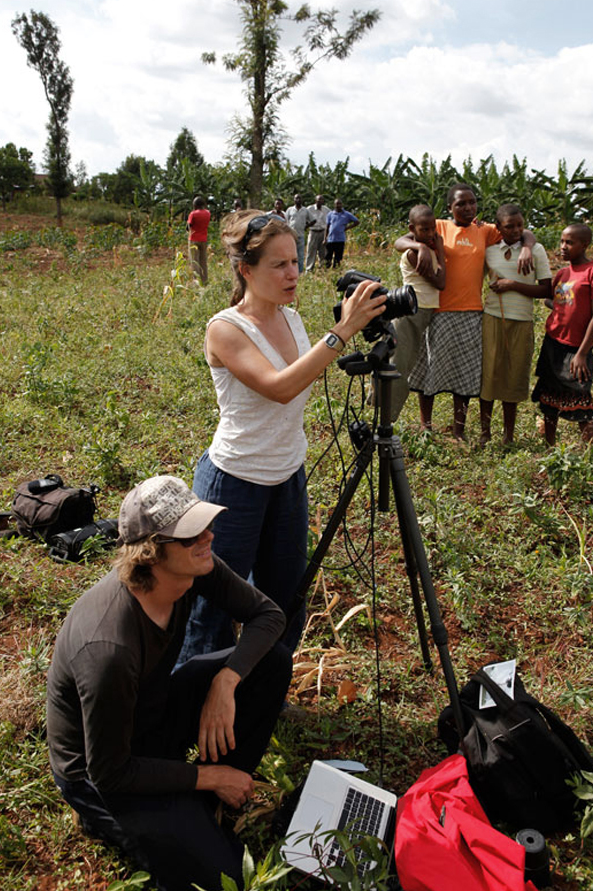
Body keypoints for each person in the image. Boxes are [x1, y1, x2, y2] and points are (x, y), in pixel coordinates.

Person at [46, 475, 292, 891]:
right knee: (231, 890)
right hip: (101, 774)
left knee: (269, 661)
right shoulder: (109, 650)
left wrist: (226, 681)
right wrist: (212, 776)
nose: (208, 538)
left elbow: (267, 615)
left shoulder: (189, 570)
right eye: (192, 535)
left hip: (150, 716)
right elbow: (110, 772)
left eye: (205, 526)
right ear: (151, 551)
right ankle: (165, 810)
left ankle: (196, 804)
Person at [180, 209, 386, 660]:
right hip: (233, 482)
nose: (293, 273)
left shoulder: (292, 319)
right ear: (245, 270)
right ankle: (199, 699)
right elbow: (280, 387)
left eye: (295, 261)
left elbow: (302, 376)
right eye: (279, 264)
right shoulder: (225, 329)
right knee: (212, 604)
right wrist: (341, 332)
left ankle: (265, 688)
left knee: (283, 597)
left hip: (287, 479)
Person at [398, 184, 535, 439]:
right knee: (429, 369)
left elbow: (520, 231)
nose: (468, 207)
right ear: (450, 207)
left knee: (465, 374)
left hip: (472, 312)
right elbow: (401, 240)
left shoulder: (484, 231)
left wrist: (527, 247)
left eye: (472, 202)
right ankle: (425, 426)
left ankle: (458, 431)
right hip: (438, 312)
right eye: (461, 203)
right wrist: (421, 247)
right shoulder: (437, 226)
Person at [531, 223, 593, 444]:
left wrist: (582, 353)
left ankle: (588, 452)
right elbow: (555, 300)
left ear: (585, 244)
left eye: (569, 242)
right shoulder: (563, 273)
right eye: (562, 241)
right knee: (549, 398)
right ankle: (550, 446)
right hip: (553, 342)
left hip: (576, 346)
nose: (563, 247)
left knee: (580, 395)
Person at [479, 204, 552, 445]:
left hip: (522, 320)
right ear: (498, 227)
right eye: (509, 226)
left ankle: (508, 436)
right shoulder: (489, 251)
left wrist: (512, 284)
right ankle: (485, 432)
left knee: (514, 373)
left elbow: (546, 289)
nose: (515, 230)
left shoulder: (536, 250)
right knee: (489, 374)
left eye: (520, 225)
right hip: (492, 318)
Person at [386, 204, 446, 423]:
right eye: (424, 230)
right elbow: (441, 282)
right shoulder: (415, 252)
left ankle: (383, 412)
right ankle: (386, 417)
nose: (430, 234)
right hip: (412, 310)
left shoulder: (423, 247)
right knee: (401, 366)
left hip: (423, 311)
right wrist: (440, 251)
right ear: (413, 229)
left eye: (433, 229)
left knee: (404, 362)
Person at [324, 198, 359, 268]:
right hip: (331, 239)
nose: (338, 205)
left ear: (342, 205)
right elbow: (327, 227)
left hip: (340, 239)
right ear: (334, 205)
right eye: (337, 204)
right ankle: (326, 270)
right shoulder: (330, 214)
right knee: (328, 256)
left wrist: (348, 228)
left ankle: (335, 270)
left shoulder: (346, 214)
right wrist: (325, 238)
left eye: (339, 203)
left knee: (338, 257)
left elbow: (356, 221)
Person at [187, 195, 211, 286]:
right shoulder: (208, 213)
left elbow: (188, 227)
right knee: (203, 261)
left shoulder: (193, 214)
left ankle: (196, 281)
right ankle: (205, 281)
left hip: (193, 239)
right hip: (203, 239)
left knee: (194, 261)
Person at [285, 193, 310, 273]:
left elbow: (313, 220)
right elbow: (286, 221)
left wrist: (306, 226)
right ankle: (290, 270)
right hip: (291, 236)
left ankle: (300, 272)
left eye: (299, 198)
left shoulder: (305, 210)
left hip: (301, 236)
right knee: (290, 254)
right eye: (296, 198)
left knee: (301, 255)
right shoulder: (289, 210)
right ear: (294, 200)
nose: (298, 200)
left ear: (301, 200)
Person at [305, 194, 330, 271]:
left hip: (323, 232)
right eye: (318, 200)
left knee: (323, 251)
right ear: (315, 201)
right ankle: (309, 269)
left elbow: (331, 220)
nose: (320, 201)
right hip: (313, 232)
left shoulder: (326, 210)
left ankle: (322, 268)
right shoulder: (309, 209)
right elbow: (304, 218)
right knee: (311, 251)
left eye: (321, 200)